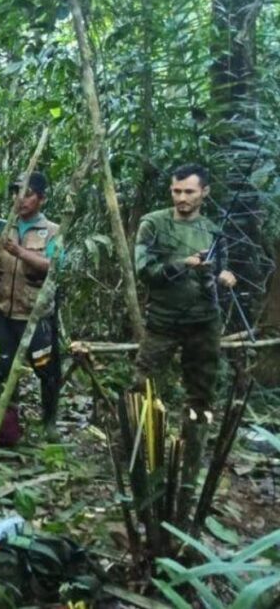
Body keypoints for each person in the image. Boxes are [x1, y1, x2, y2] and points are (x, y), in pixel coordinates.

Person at [133, 163, 236, 518]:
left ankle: (191, 466)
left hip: (204, 324)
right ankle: (146, 463)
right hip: (163, 323)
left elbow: (218, 269)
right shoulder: (154, 223)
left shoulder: (212, 229)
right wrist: (184, 264)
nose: (182, 198)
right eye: (177, 191)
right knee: (144, 390)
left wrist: (223, 276)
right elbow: (145, 272)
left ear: (204, 193)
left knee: (201, 396)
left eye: (189, 192)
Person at [0, 172, 62, 441]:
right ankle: (10, 424)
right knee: (5, 368)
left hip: (35, 314)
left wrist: (20, 252)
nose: (20, 199)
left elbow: (55, 268)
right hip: (3, 310)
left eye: (27, 194)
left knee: (46, 370)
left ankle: (49, 422)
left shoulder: (52, 231)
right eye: (16, 193)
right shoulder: (6, 226)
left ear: (41, 199)